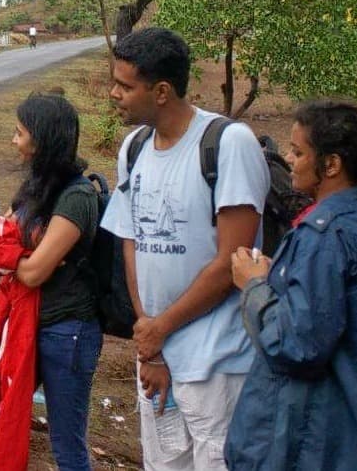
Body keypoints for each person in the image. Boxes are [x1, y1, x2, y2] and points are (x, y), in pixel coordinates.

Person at [100, 27, 270, 471]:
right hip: (156, 357)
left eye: (124, 85)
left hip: (216, 364)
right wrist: (150, 342)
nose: (113, 93)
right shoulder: (133, 149)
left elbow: (234, 260)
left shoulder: (227, 144)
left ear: (160, 91)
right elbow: (131, 244)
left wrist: (161, 329)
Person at [0, 93, 102, 470]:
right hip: (22, 324)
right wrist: (12, 256)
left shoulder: (77, 197)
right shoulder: (34, 188)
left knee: (66, 444)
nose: (13, 141)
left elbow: (34, 270)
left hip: (65, 332)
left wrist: (12, 258)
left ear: (42, 139)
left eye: (20, 133)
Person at [225, 100, 357, 471]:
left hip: (311, 440)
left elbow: (298, 345)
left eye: (299, 151)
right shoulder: (354, 224)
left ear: (331, 164)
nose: (287, 158)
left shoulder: (323, 237)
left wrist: (254, 286)